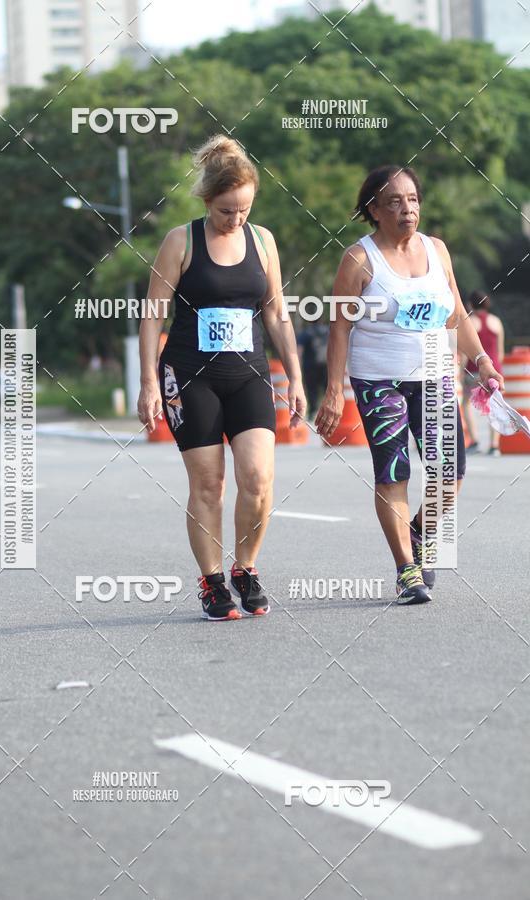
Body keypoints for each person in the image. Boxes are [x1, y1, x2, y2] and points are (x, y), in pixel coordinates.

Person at [315, 165, 504, 605]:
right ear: (374, 210)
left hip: (435, 374)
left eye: (413, 199)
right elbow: (339, 328)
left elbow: (456, 313)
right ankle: (406, 570)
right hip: (379, 379)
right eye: (395, 202)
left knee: (450, 474)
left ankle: (417, 531)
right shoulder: (359, 260)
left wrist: (481, 362)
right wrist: (332, 390)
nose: (407, 209)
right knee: (394, 472)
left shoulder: (437, 250)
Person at [138, 135, 306, 621]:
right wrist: (150, 381)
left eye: (245, 210)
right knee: (208, 485)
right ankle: (212, 582)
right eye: (227, 211)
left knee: (258, 478)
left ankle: (246, 569)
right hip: (191, 376)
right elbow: (153, 316)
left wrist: (295, 377)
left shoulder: (263, 241)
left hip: (249, 373)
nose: (237, 220)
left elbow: (277, 315)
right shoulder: (180, 241)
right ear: (208, 201)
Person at [461, 290, 505, 456]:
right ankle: (494, 445)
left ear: (471, 304)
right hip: (494, 369)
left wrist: (460, 371)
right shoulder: (496, 321)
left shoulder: (470, 321)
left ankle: (474, 440)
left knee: (466, 403)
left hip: (474, 369)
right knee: (495, 405)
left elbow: (465, 351)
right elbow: (499, 351)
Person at [297, 321, 328, 413]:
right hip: (326, 366)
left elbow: (299, 350)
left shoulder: (306, 332)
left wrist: (298, 366)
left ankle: (313, 411)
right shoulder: (328, 331)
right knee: (327, 389)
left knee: (312, 390)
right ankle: (327, 411)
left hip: (310, 367)